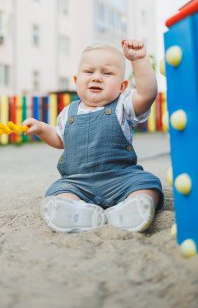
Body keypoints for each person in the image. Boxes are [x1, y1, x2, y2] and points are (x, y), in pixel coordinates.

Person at [23, 40, 164, 233]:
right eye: (89, 72)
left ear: (122, 86)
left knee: (148, 184)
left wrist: (138, 60)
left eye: (107, 73)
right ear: (76, 80)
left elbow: (147, 94)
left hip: (121, 179)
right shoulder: (68, 112)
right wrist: (41, 129)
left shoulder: (124, 106)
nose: (97, 78)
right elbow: (60, 139)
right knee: (57, 191)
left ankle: (133, 208)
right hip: (77, 182)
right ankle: (79, 212)